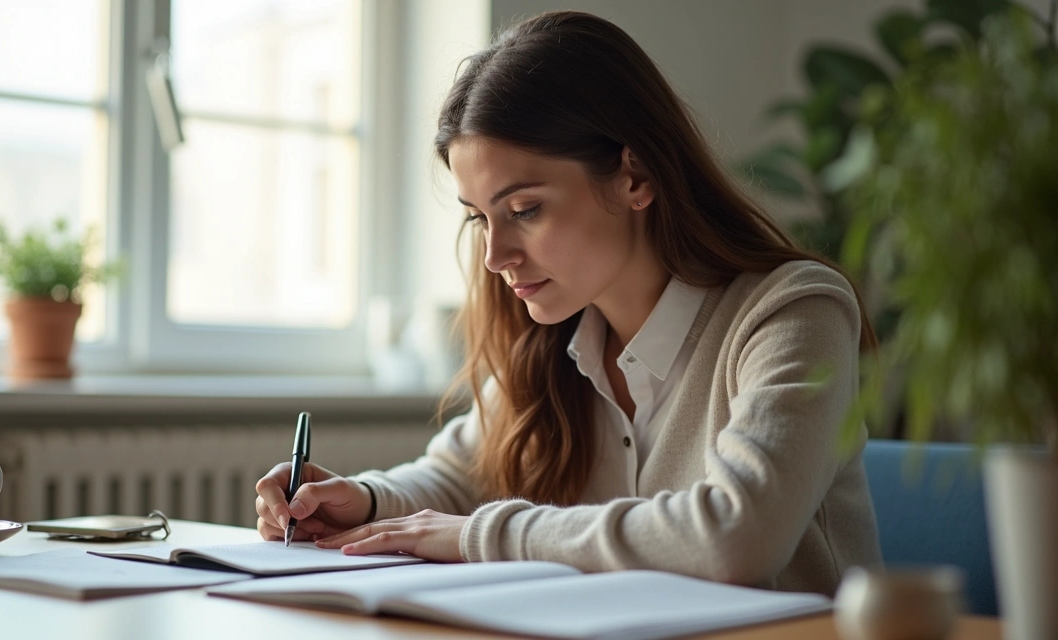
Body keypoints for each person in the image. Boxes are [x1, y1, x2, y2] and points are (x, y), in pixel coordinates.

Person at [255, 9, 882, 596]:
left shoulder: (794, 313)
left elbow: (737, 537)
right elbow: (458, 476)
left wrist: (478, 537)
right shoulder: (556, 336)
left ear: (636, 177)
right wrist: (358, 500)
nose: (495, 256)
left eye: (525, 210)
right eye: (481, 219)